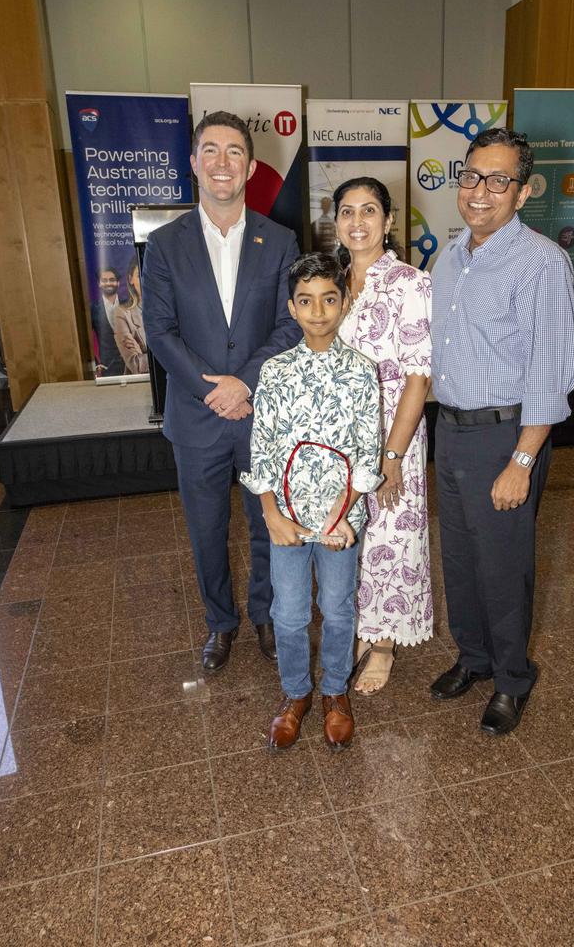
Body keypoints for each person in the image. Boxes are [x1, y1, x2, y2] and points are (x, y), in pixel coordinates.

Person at [429, 128, 574, 735]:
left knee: (503, 565)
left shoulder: (542, 262)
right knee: (460, 559)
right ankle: (474, 657)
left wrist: (522, 461)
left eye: (498, 180)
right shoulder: (446, 258)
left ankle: (513, 678)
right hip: (451, 430)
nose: (480, 191)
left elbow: (551, 372)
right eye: (471, 176)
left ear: (521, 192)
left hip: (508, 435)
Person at [142, 110, 301, 672]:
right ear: (193, 162)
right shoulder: (164, 245)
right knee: (207, 530)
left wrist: (245, 382)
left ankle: (265, 615)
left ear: (251, 166)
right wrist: (214, 390)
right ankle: (220, 623)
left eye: (234, 151)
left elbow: (291, 324)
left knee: (267, 525)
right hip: (197, 415)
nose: (222, 162)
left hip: (262, 412)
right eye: (210, 150)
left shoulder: (280, 240)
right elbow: (159, 330)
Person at [241, 252, 382, 751]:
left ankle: (336, 691)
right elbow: (261, 449)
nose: (318, 310)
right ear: (292, 308)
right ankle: (297, 692)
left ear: (345, 303)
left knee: (339, 609)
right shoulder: (276, 372)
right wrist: (271, 515)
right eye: (306, 301)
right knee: (290, 612)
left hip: (340, 523)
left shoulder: (363, 373)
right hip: (287, 522)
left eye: (328, 299)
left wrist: (343, 514)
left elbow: (367, 454)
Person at [335, 177, 433, 694]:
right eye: (347, 212)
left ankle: (385, 640)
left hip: (395, 430)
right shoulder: (333, 281)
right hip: (342, 437)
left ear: (389, 221)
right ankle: (360, 625)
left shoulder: (410, 283)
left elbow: (419, 377)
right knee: (350, 532)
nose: (358, 222)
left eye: (369, 210)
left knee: (391, 535)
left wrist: (392, 455)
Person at [114, 257, 148, 374]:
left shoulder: (171, 308)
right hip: (141, 385)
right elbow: (136, 364)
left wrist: (144, 355)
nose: (146, 280)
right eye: (140, 275)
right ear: (130, 279)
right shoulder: (123, 314)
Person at [91, 266, 124, 377]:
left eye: (112, 280)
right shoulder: (93, 309)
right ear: (99, 284)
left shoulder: (130, 305)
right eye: (104, 280)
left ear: (118, 283)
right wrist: (95, 364)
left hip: (134, 366)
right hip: (108, 369)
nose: (108, 283)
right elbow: (85, 341)